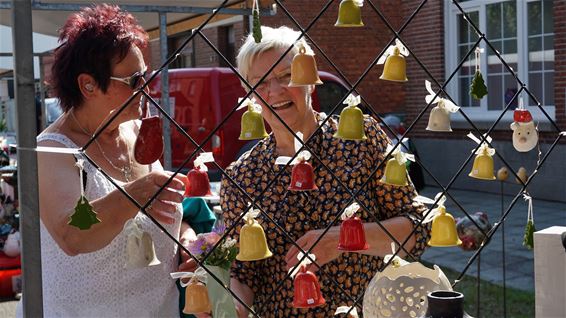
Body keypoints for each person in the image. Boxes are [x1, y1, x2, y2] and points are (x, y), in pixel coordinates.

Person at [220, 26, 431, 317]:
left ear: (310, 78)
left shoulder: (361, 139)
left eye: (286, 75)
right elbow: (243, 273)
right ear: (250, 95)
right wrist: (225, 302)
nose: (276, 91)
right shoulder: (242, 177)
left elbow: (418, 230)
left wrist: (342, 240)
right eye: (261, 83)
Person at [16, 4, 197, 317]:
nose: (146, 88)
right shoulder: (51, 150)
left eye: (146, 76)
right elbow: (74, 233)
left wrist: (187, 238)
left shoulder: (138, 130)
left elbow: (152, 216)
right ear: (88, 85)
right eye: (133, 80)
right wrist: (135, 195)